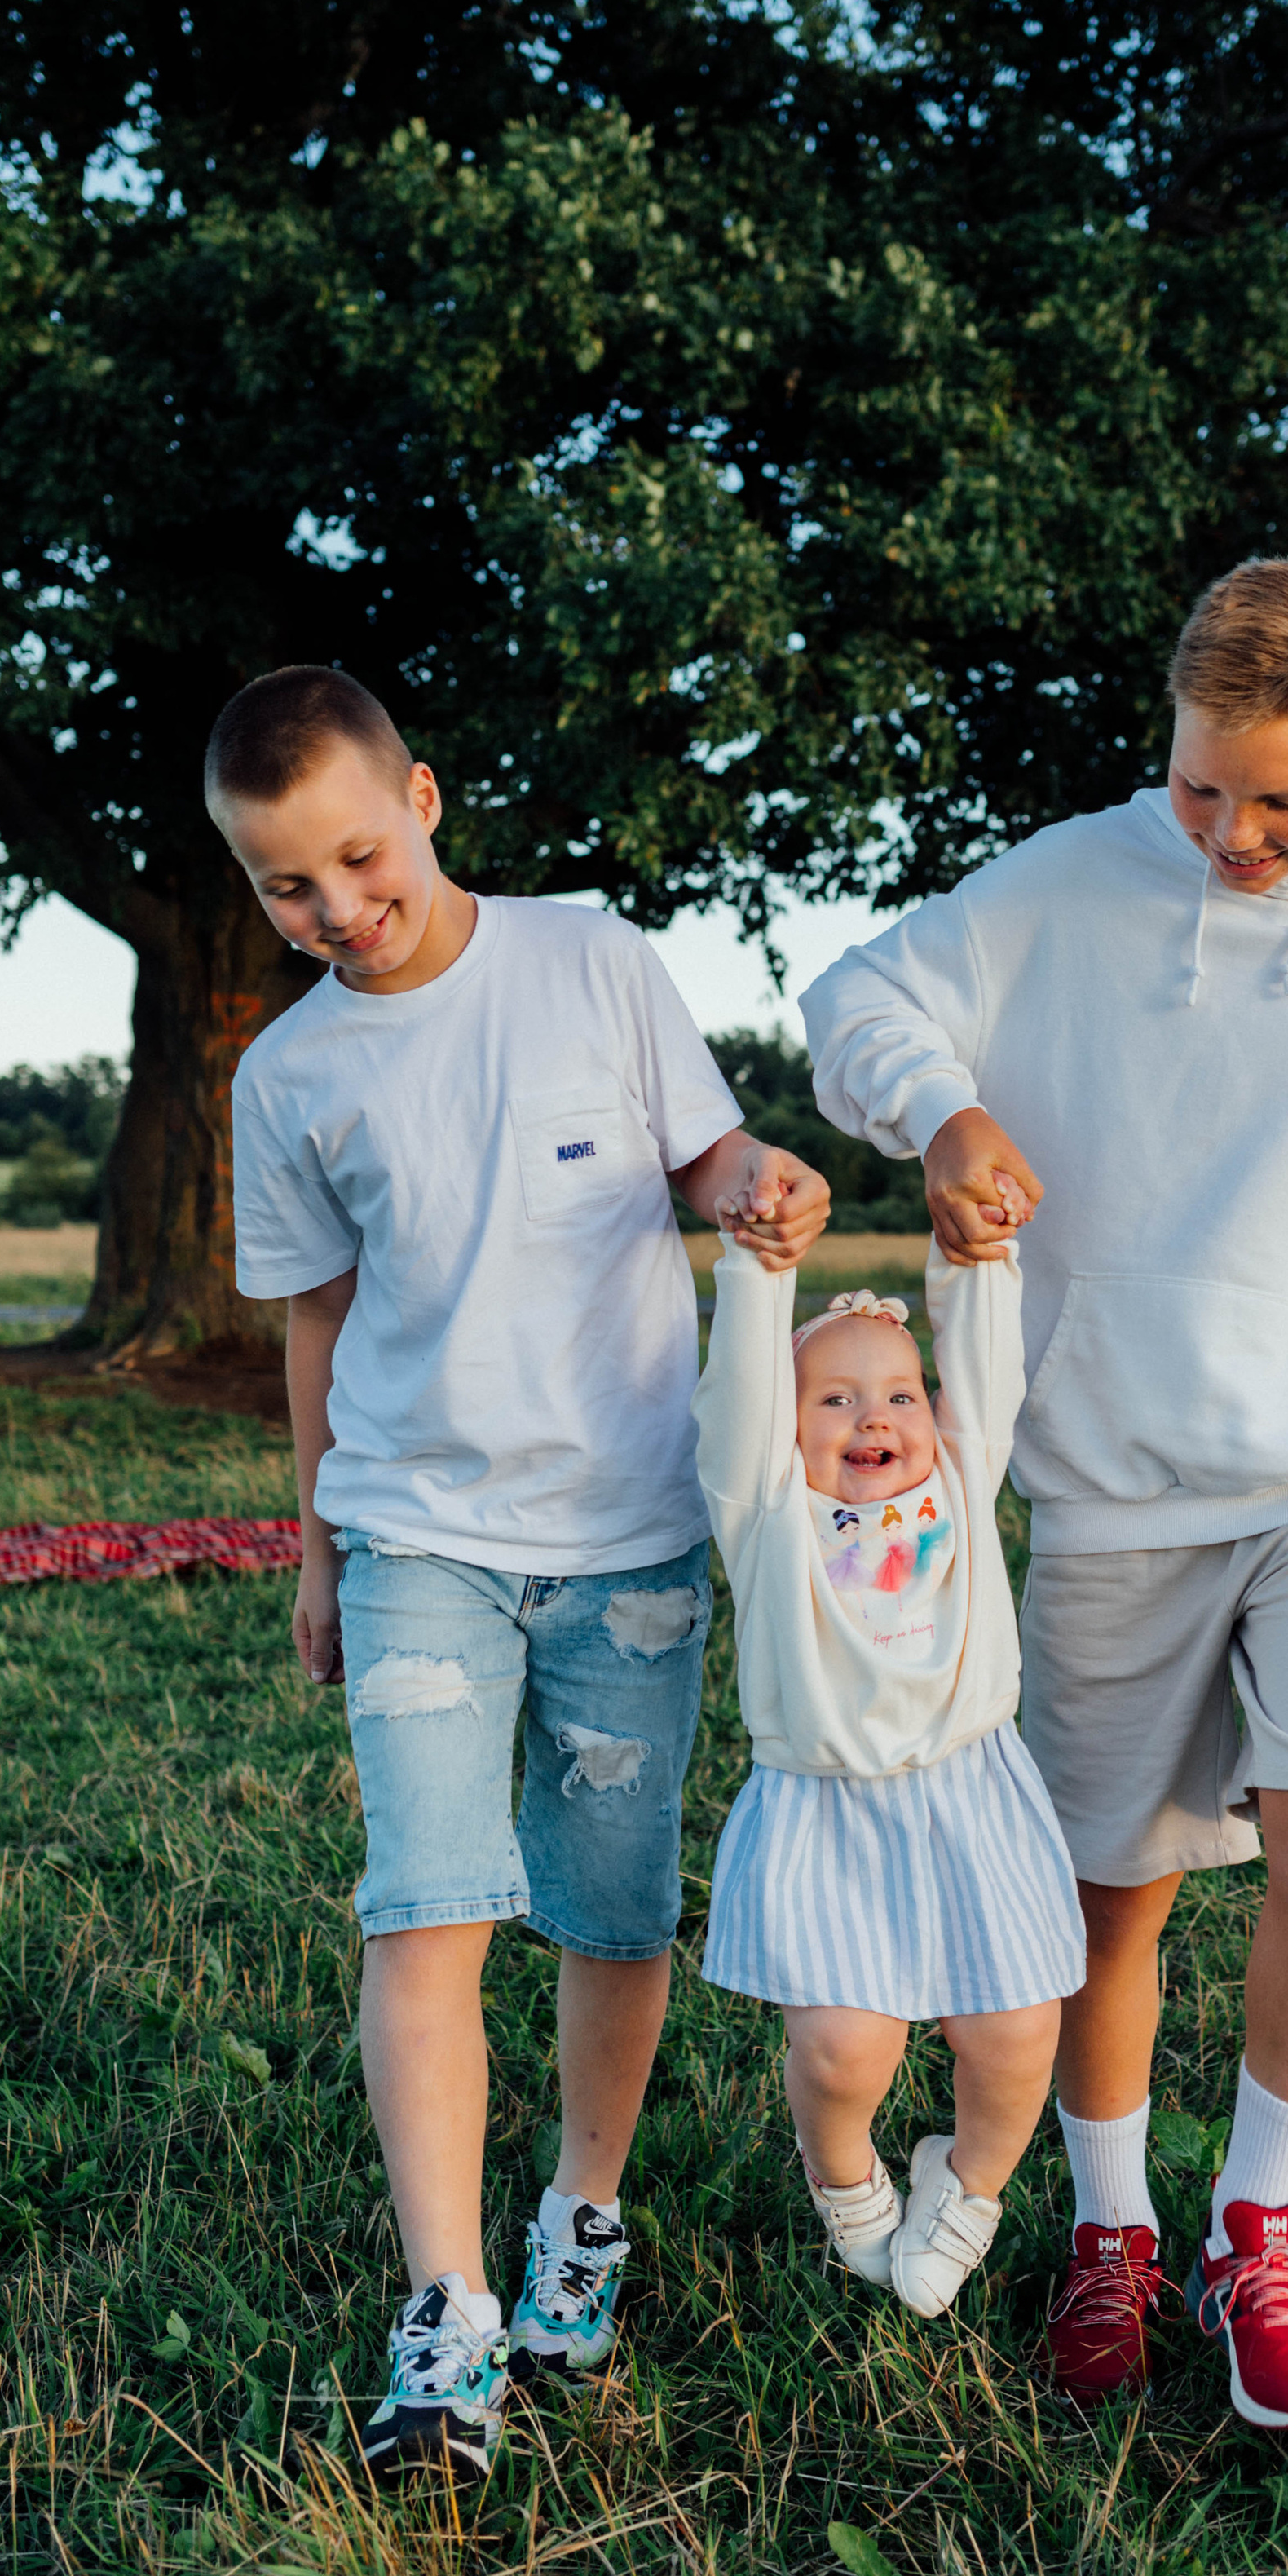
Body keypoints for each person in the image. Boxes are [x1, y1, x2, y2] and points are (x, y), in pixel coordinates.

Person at [801, 558, 1288, 2432]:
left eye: (1282, 799)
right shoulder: (1061, 886)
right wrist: (945, 1111)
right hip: (1110, 1474)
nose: (1232, 832)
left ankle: (1259, 2220)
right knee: (1107, 1893)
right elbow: (854, 998)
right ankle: (1107, 2229)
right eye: (1199, 790)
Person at [208, 664, 830, 2481]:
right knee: (426, 1899)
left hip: (630, 1540)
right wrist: (319, 1550)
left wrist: (752, 1181)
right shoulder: (291, 1074)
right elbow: (314, 1325)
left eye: (353, 855)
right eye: (280, 886)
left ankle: (578, 2215)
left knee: (614, 1909)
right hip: (418, 1540)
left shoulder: (590, 965)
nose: (334, 909)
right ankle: (447, 2313)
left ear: (422, 794)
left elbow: (703, 1151)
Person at [692, 1226, 1085, 2315]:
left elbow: (986, 1367)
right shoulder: (767, 1511)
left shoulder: (958, 1480)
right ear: (785, 1426)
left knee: (1013, 2030)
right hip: (829, 1811)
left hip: (971, 1790)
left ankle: (967, 2185)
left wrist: (979, 1257)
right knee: (840, 2050)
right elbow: (740, 1397)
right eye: (834, 1401)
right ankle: (845, 2171)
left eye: (901, 1396)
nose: (875, 1418)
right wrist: (760, 1270)